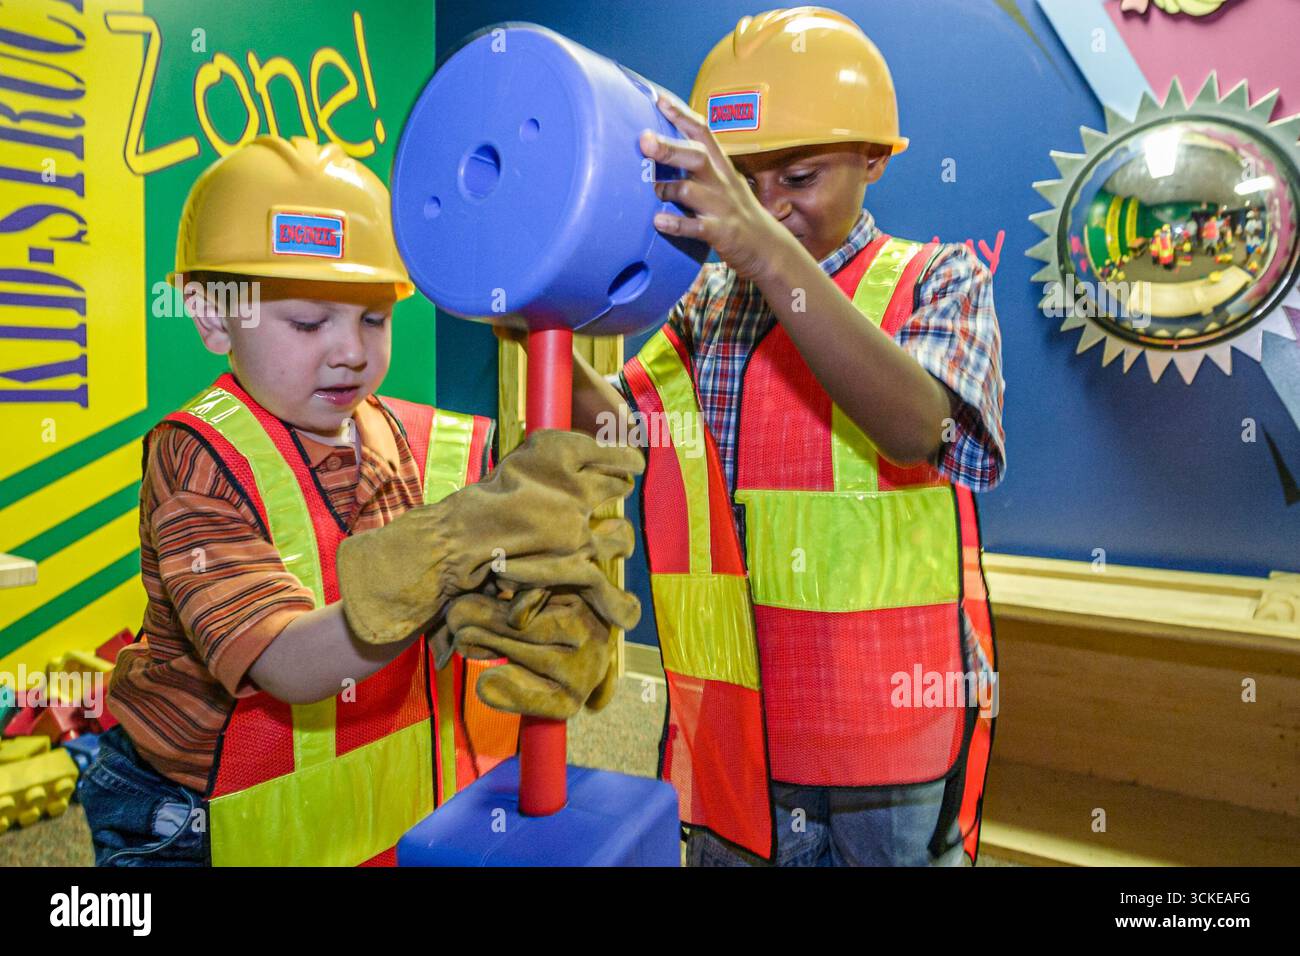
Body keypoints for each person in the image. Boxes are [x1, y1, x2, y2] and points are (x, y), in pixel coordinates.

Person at [77, 135, 643, 866]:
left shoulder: (413, 436)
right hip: (189, 811)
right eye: (310, 322)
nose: (351, 350)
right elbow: (284, 664)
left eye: (374, 317)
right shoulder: (198, 458)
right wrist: (445, 556)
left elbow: (609, 432)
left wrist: (529, 316)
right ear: (213, 314)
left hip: (357, 797)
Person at [567, 7, 1005, 866]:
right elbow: (622, 433)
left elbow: (917, 428)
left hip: (885, 727)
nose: (768, 208)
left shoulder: (939, 279)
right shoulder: (709, 307)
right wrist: (529, 315)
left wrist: (765, 253)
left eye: (799, 177)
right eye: (745, 182)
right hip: (740, 710)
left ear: (875, 158)